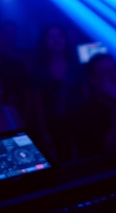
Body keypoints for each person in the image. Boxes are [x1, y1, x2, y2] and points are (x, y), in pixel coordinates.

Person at [30, 23, 83, 163]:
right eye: (51, 37)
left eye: (59, 36)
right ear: (45, 41)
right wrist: (43, 131)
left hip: (77, 119)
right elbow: (38, 103)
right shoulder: (39, 69)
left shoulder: (75, 65)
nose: (56, 40)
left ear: (65, 39)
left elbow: (85, 93)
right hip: (52, 123)